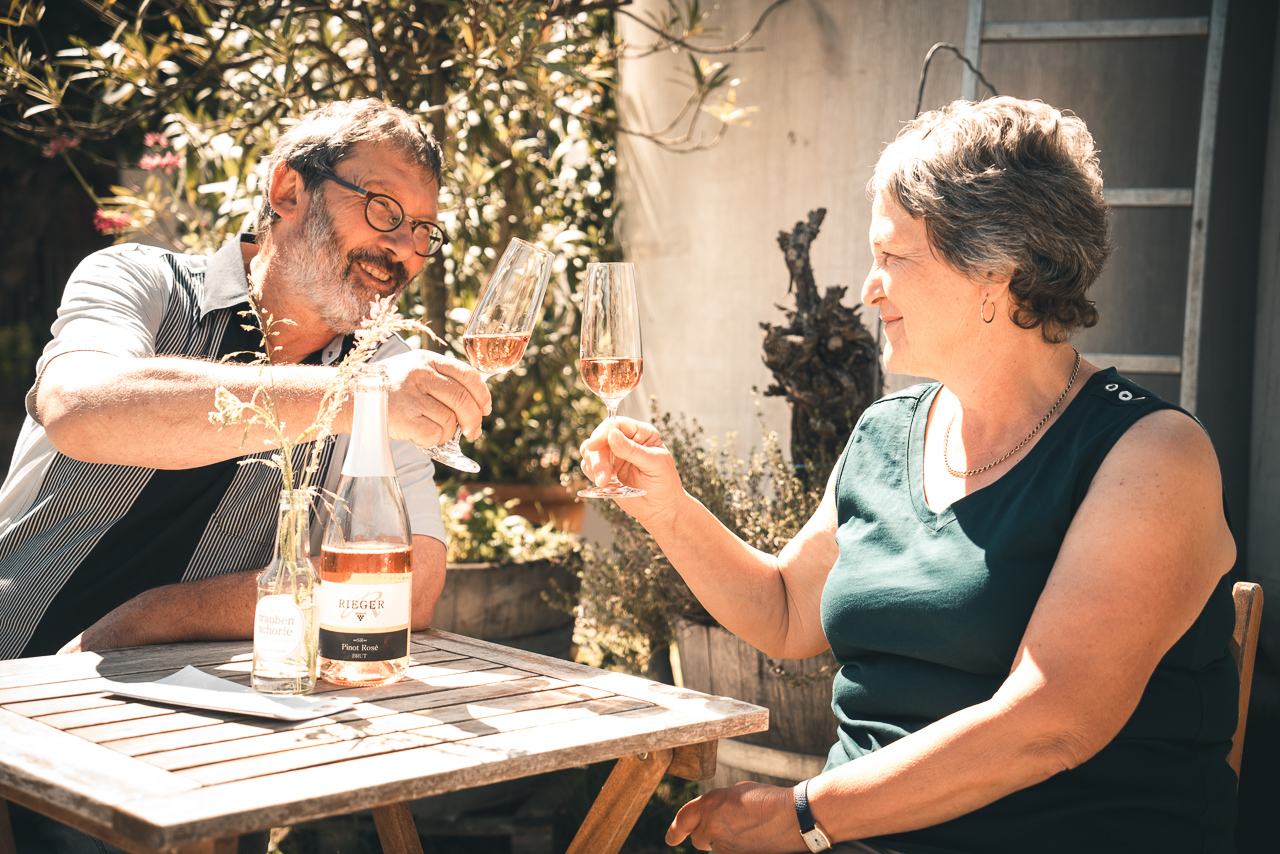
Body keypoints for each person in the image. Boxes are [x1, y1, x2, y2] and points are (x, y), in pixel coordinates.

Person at [580, 97, 1238, 853]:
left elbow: (1050, 724)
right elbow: (789, 611)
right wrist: (666, 507)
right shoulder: (889, 430)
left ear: (994, 268)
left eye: (894, 258)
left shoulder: (1151, 456)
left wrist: (805, 814)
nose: (867, 288)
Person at [0, 98, 489, 661]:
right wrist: (355, 397)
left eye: (423, 229)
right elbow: (78, 409)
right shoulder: (141, 281)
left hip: (188, 713)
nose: (404, 247)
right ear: (287, 191)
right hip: (18, 673)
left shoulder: (383, 366)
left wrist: (156, 616)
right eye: (382, 208)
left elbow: (410, 583)